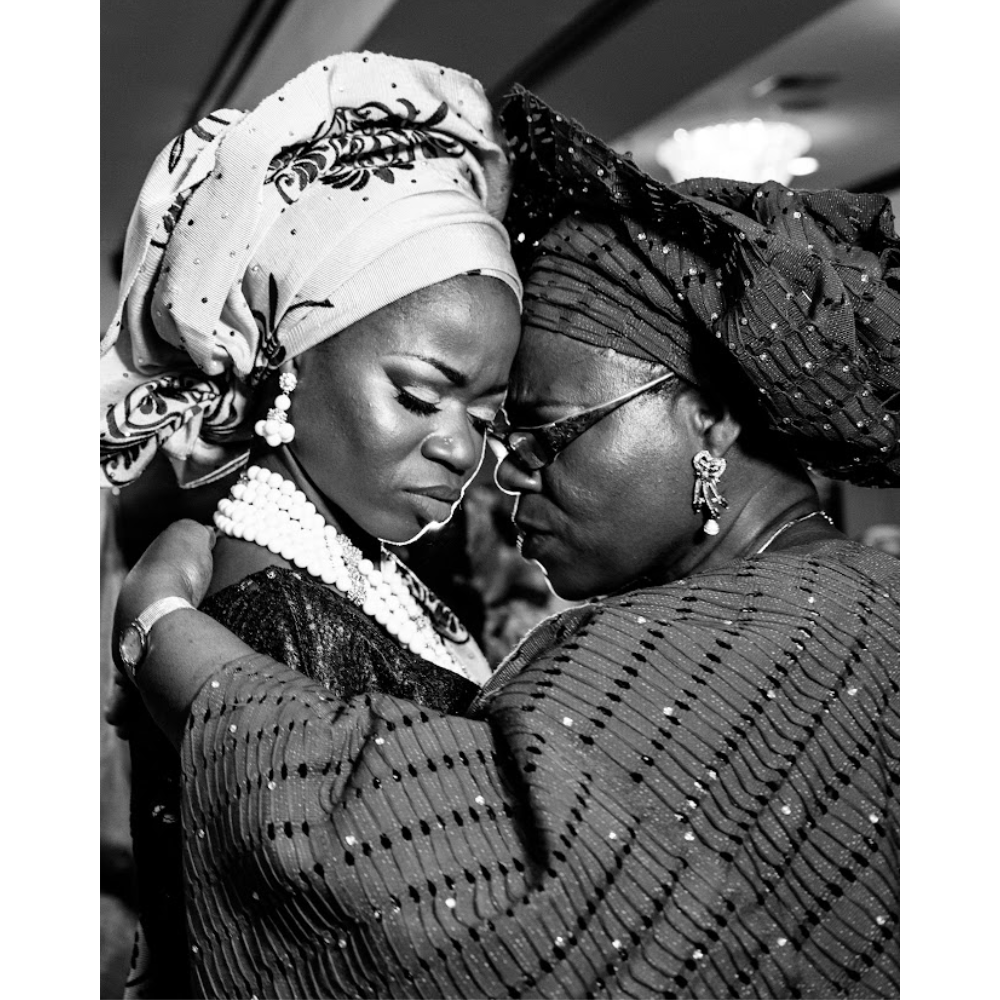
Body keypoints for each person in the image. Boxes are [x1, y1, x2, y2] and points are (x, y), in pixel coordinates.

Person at [113, 86, 899, 999]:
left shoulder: (692, 650)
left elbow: (439, 900)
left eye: (536, 429)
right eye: (423, 396)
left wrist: (162, 634)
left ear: (712, 421)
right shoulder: (870, 597)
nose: (494, 466)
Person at [101, 52, 523, 997]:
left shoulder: (352, 570)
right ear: (290, 356)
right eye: (419, 395)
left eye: (486, 416)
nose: (461, 448)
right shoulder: (268, 612)